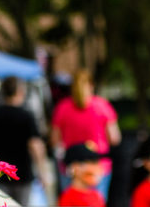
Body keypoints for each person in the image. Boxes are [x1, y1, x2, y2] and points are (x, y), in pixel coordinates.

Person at [50, 69, 121, 198]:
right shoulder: (102, 105)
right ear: (91, 85)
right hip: (97, 165)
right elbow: (115, 138)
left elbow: (55, 140)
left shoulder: (62, 107)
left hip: (72, 166)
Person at [0, 76, 46, 207]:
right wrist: (42, 172)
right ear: (20, 91)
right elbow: (35, 145)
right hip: (22, 175)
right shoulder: (26, 115)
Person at [56, 143, 120, 207]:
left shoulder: (96, 195)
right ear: (74, 167)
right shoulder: (68, 196)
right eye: (90, 162)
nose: (96, 167)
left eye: (96, 162)